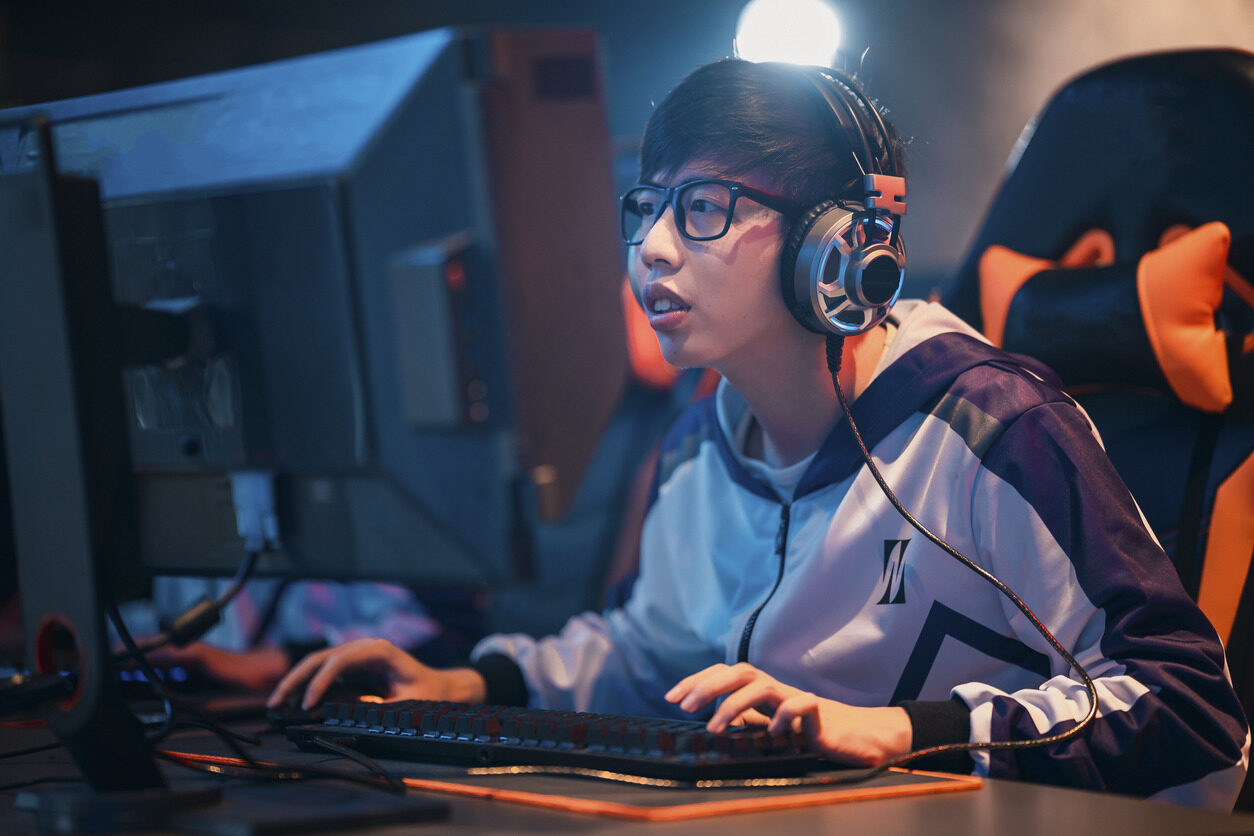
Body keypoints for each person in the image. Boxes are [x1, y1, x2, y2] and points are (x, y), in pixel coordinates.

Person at [269, 58, 1249, 808]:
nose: (650, 246)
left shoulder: (991, 425)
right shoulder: (703, 443)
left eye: (703, 208)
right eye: (646, 207)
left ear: (837, 243)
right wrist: (464, 680)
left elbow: (1193, 711)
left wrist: (898, 730)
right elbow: (648, 654)